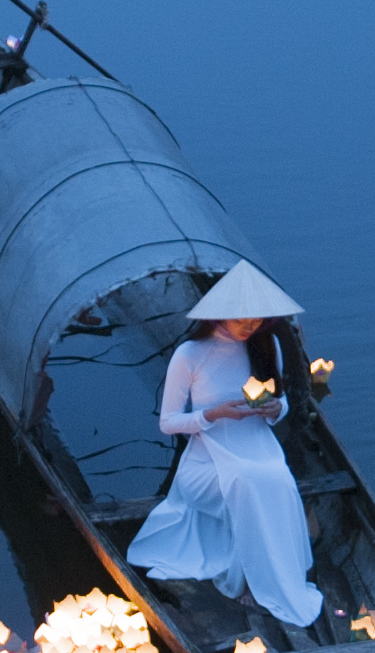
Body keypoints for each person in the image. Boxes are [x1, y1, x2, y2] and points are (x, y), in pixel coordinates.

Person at [126, 261, 325, 628]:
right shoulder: (190, 354)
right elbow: (168, 422)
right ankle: (247, 580)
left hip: (257, 448)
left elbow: (283, 406)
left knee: (278, 481)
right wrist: (212, 415)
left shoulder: (266, 348)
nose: (249, 326)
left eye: (256, 319)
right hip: (206, 463)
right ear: (220, 313)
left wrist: (273, 408)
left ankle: (278, 574)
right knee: (246, 484)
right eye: (241, 319)